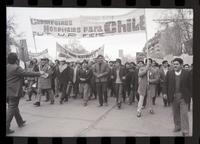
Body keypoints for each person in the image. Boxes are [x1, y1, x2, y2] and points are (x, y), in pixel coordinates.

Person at [6, 53, 42, 134]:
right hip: (13, 92)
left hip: (8, 92)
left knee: (13, 107)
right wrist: (39, 73)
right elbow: (27, 73)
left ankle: (20, 122)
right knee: (12, 109)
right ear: (16, 60)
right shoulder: (16, 68)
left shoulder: (7, 66)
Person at [163, 58, 192, 136]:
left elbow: (191, 85)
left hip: (183, 97)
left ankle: (185, 130)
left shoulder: (187, 73)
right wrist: (165, 93)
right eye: (174, 64)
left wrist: (191, 95)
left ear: (181, 65)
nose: (175, 65)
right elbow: (165, 84)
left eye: (177, 64)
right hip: (173, 96)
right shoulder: (169, 73)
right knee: (175, 113)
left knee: (184, 114)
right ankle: (177, 126)